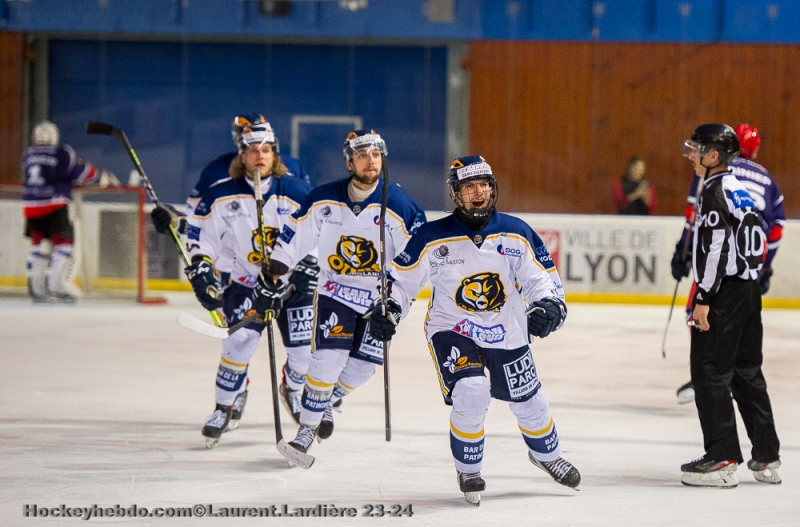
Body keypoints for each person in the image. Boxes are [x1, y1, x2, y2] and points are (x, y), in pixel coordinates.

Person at [368, 155, 580, 506]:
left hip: (508, 330)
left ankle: (547, 455)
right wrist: (389, 309)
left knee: (531, 403)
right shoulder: (432, 236)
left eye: (483, 184)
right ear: (456, 194)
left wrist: (549, 306)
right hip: (453, 328)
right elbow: (402, 283)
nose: (478, 192)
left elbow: (541, 280)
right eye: (469, 186)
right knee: (472, 390)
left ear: (493, 188)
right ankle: (469, 469)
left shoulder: (516, 231)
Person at [252, 129, 426, 455]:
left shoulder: (402, 206)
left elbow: (415, 264)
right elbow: (295, 237)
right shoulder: (323, 199)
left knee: (362, 369)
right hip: (337, 292)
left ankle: (323, 399)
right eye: (362, 155)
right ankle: (306, 432)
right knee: (325, 361)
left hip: (379, 299)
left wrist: (395, 307)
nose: (370, 160)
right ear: (349, 162)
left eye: (375, 154)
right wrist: (273, 275)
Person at [182, 118, 317, 449]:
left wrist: (309, 263)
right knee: (238, 343)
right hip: (246, 281)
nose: (260, 155)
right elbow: (200, 232)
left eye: (267, 150)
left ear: (276, 154)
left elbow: (319, 231)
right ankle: (223, 408)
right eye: (253, 150)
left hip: (291, 284)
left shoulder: (298, 191)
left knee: (301, 351)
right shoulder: (221, 194)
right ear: (241, 155)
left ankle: (293, 389)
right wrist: (201, 264)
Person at [677, 123, 780, 488]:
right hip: (749, 291)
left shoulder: (714, 189)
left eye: (697, 149)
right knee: (747, 372)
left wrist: (703, 296)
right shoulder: (737, 188)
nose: (691, 155)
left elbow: (714, 246)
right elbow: (763, 235)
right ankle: (767, 454)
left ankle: (721, 458)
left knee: (709, 373)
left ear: (714, 155)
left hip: (723, 294)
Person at [151, 113, 310, 288]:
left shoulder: (292, 169)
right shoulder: (216, 172)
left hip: (285, 269)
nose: (260, 154)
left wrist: (308, 262)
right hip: (233, 269)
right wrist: (174, 222)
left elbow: (310, 220)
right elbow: (199, 224)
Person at [21, 120, 119, 302]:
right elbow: (80, 172)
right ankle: (57, 288)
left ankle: (37, 289)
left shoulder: (28, 154)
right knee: (63, 246)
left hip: (30, 207)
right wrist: (102, 176)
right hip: (53, 206)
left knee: (39, 246)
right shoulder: (61, 153)